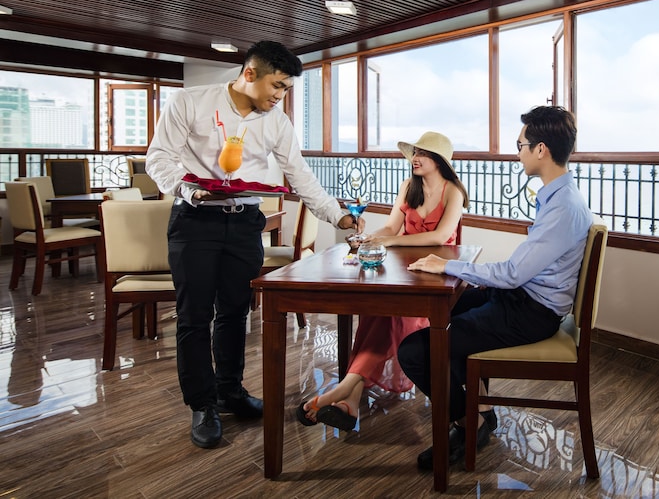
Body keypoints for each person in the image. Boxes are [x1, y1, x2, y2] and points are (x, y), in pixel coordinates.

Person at [145, 40, 361, 450]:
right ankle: (202, 404)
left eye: (286, 89)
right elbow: (158, 158)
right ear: (249, 74)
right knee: (194, 317)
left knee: (235, 312)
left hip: (245, 223)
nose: (280, 96)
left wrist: (338, 216)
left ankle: (229, 391)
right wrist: (189, 189)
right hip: (195, 220)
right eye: (277, 86)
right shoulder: (189, 102)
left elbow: (300, 174)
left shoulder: (276, 120)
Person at [398, 105, 592, 470]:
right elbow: (519, 272)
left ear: (540, 149)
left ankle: (468, 421)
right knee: (444, 311)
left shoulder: (563, 207)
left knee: (414, 351)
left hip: (531, 312)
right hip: (523, 299)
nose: (517, 152)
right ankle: (480, 411)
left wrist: (446, 264)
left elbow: (513, 273)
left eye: (520, 145)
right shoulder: (559, 196)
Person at [296, 131, 468, 430]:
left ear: (439, 161)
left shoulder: (453, 191)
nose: (415, 158)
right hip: (404, 270)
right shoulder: (408, 187)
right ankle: (349, 401)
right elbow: (391, 227)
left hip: (435, 277)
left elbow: (441, 237)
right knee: (376, 310)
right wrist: (368, 238)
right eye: (415, 153)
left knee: (390, 315)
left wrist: (390, 241)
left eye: (423, 154)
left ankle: (343, 389)